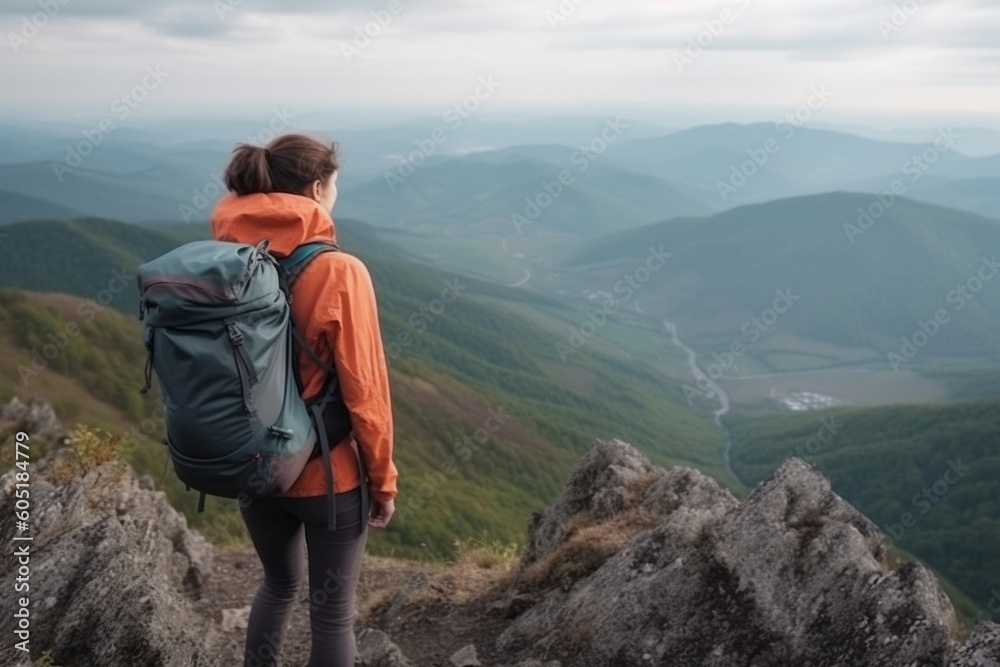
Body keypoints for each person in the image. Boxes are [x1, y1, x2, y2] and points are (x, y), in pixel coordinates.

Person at [211, 132, 398, 667]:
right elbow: (367, 394)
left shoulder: (221, 261)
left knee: (276, 585)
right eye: (335, 184)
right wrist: (382, 482)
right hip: (328, 475)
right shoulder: (340, 272)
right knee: (333, 615)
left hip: (251, 464)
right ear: (318, 188)